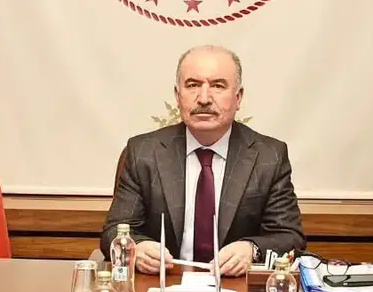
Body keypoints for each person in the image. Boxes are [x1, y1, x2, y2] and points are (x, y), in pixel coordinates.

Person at [102, 45, 305, 276]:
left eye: (218, 86)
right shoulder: (144, 152)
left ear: (238, 97)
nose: (204, 98)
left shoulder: (269, 156)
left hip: (235, 287)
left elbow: (289, 237)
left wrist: (252, 249)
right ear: (177, 96)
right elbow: (113, 232)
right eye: (192, 85)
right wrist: (136, 248)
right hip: (163, 285)